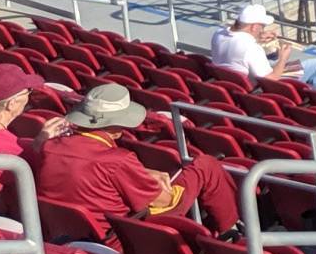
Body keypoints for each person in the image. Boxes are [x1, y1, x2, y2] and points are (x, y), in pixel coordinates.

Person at [37, 84, 241, 238]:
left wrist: (146, 174)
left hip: (68, 232)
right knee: (206, 165)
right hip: (118, 236)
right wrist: (158, 184)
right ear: (116, 127)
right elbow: (163, 200)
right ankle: (229, 237)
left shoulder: (50, 147)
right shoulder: (118, 160)